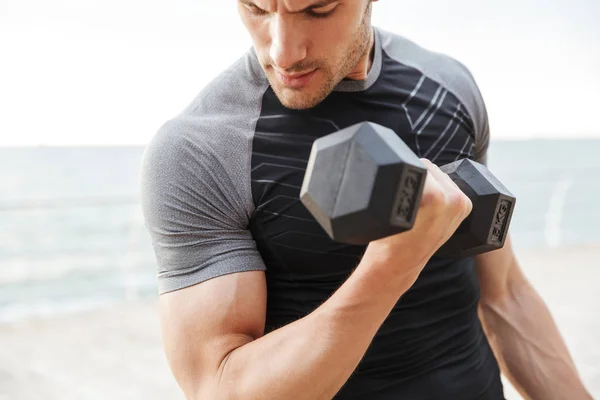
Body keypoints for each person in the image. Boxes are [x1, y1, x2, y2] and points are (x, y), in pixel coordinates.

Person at [140, 1, 593, 399]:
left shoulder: (448, 88)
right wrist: (392, 266)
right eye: (257, 8)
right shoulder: (201, 150)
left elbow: (505, 297)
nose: (282, 51)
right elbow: (219, 388)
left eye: (317, 9)